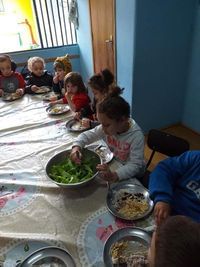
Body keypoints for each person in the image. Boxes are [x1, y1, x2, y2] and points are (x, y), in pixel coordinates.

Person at [70, 95, 145, 182]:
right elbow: (86, 136)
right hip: (116, 162)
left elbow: (135, 165)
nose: (102, 128)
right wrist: (76, 147)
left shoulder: (136, 136)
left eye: (106, 125)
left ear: (122, 120)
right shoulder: (105, 127)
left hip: (133, 174)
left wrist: (115, 175)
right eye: (101, 123)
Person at [149, 150, 200, 226]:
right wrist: (162, 198)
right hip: (166, 208)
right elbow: (163, 169)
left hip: (192, 230)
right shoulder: (196, 157)